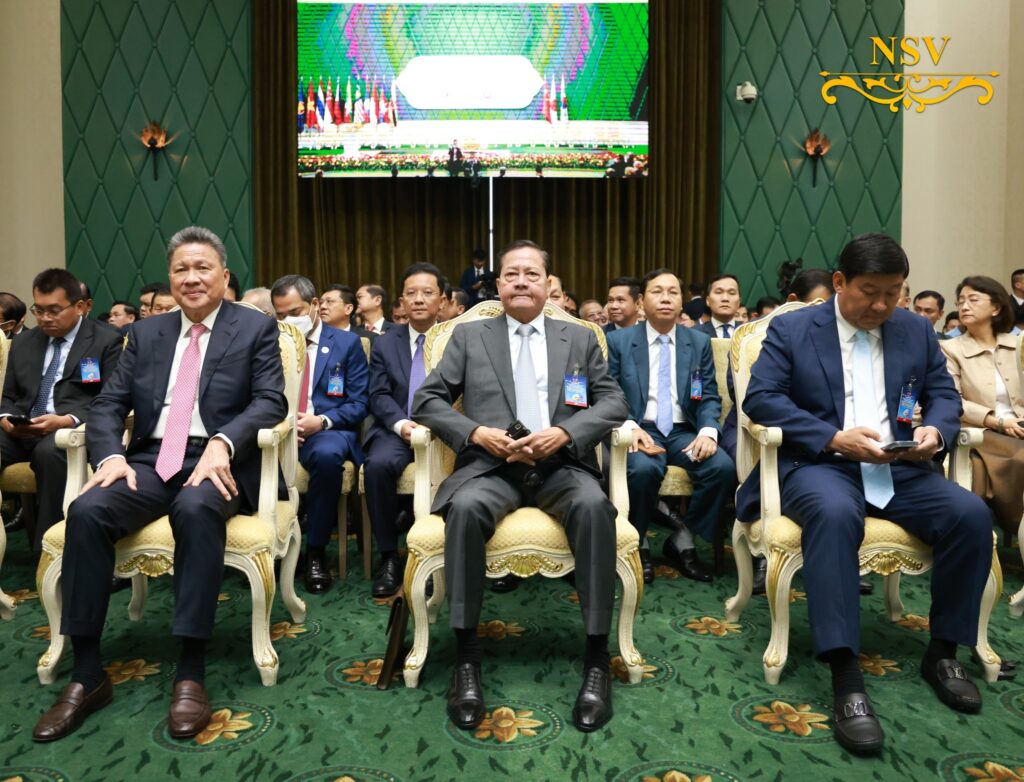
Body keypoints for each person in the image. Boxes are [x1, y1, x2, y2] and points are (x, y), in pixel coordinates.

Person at [735, 233, 995, 755]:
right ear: (839, 282)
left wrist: (936, 431)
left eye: (893, 293)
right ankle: (846, 674)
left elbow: (943, 395)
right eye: (869, 292)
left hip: (901, 467)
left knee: (969, 514)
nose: (881, 306)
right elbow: (761, 399)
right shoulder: (794, 328)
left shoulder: (915, 329)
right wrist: (833, 437)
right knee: (834, 514)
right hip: (820, 463)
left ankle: (944, 652)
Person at [33, 226, 287, 743]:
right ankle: (87, 673)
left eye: (202, 268)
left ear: (224, 276)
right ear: (170, 278)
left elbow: (270, 401)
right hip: (150, 460)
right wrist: (109, 455)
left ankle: (190, 670)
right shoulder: (147, 334)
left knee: (194, 508)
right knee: (87, 510)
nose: (191, 278)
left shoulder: (255, 327)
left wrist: (224, 441)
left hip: (217, 460)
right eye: (180, 270)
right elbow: (109, 403)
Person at [412, 239, 628, 734]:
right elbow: (427, 400)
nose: (521, 282)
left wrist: (565, 433)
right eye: (511, 274)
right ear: (498, 284)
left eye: (532, 274)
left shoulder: (579, 338)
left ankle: (597, 658)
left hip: (562, 466)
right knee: (465, 508)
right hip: (492, 466)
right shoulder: (470, 336)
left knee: (595, 508)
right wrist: (475, 433)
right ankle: (467, 657)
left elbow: (613, 402)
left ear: (549, 284)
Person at [606, 269, 735, 584]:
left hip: (682, 432)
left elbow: (708, 394)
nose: (666, 298)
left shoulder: (698, 342)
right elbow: (608, 392)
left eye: (673, 292)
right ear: (641, 301)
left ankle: (682, 539)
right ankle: (638, 543)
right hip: (641, 428)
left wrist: (708, 431)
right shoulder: (619, 341)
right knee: (642, 470)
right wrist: (628, 426)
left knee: (721, 468)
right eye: (657, 291)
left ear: (682, 301)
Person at [0, 269, 122, 550]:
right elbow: (9, 397)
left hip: (71, 431)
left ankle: (50, 549)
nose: (44, 318)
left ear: (79, 307)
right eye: (39, 310)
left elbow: (110, 399)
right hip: (22, 428)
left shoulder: (106, 341)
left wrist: (67, 419)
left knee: (52, 451)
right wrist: (5, 418)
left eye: (54, 310)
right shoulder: (24, 342)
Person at [271, 275, 369, 594]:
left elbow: (359, 403)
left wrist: (321, 421)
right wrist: (283, 426)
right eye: (281, 315)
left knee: (327, 457)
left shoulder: (346, 343)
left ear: (314, 305)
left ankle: (315, 550)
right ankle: (273, 546)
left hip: (327, 429)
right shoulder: (270, 342)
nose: (288, 321)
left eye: (295, 312)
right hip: (279, 430)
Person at [363, 263, 444, 597]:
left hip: (444, 431)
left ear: (442, 300)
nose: (419, 299)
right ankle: (389, 556)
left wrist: (439, 423)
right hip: (398, 427)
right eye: (411, 293)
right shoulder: (385, 343)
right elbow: (378, 394)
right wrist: (401, 424)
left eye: (427, 293)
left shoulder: (457, 338)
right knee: (377, 466)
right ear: (401, 301)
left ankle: (439, 555)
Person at [941, 275, 1024, 540]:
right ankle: (1017, 526)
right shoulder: (949, 349)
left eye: (973, 299)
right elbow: (951, 399)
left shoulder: (1018, 344)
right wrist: (997, 421)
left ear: (996, 307)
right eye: (961, 301)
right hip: (983, 431)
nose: (964, 306)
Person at [699, 274, 741, 338]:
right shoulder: (695, 334)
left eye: (731, 293)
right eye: (719, 292)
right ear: (708, 300)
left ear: (739, 302)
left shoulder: (750, 334)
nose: (725, 298)